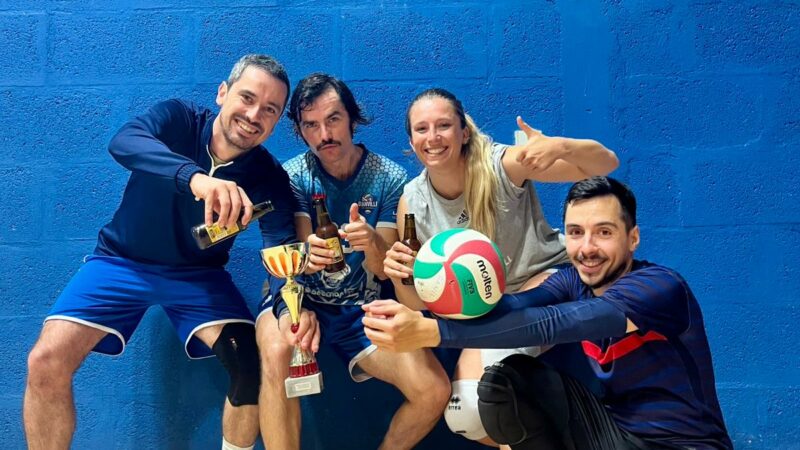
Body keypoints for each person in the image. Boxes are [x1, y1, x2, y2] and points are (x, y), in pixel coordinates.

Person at [23, 54, 297, 450]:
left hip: (199, 277)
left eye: (270, 109)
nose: (254, 115)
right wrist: (195, 179)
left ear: (276, 121)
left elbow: (283, 251)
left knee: (250, 366)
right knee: (45, 360)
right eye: (247, 97)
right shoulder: (179, 119)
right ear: (223, 92)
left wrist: (291, 307)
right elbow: (123, 141)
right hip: (121, 261)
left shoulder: (269, 177)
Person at [365, 176, 733, 450]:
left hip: (684, 444)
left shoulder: (659, 288)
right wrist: (431, 290)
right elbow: (513, 306)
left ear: (632, 238)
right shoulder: (573, 281)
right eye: (575, 232)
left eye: (603, 232)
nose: (587, 248)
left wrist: (434, 334)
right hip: (618, 434)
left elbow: (554, 324)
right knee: (507, 382)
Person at [382, 88, 618, 444]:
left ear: (464, 132)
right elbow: (416, 304)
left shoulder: (500, 165)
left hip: (546, 285)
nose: (433, 137)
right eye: (421, 129)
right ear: (411, 142)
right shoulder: (412, 202)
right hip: (487, 308)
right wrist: (402, 277)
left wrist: (561, 147)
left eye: (443, 125)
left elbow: (606, 164)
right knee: (466, 416)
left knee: (486, 400)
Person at [256, 73, 450, 450]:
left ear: (352, 118)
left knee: (433, 390)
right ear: (300, 131)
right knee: (276, 350)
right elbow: (295, 250)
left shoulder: (389, 177)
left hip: (362, 309)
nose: (324, 135)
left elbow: (384, 269)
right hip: (300, 299)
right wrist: (309, 256)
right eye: (311, 125)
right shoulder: (292, 176)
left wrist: (373, 242)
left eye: (333, 119)